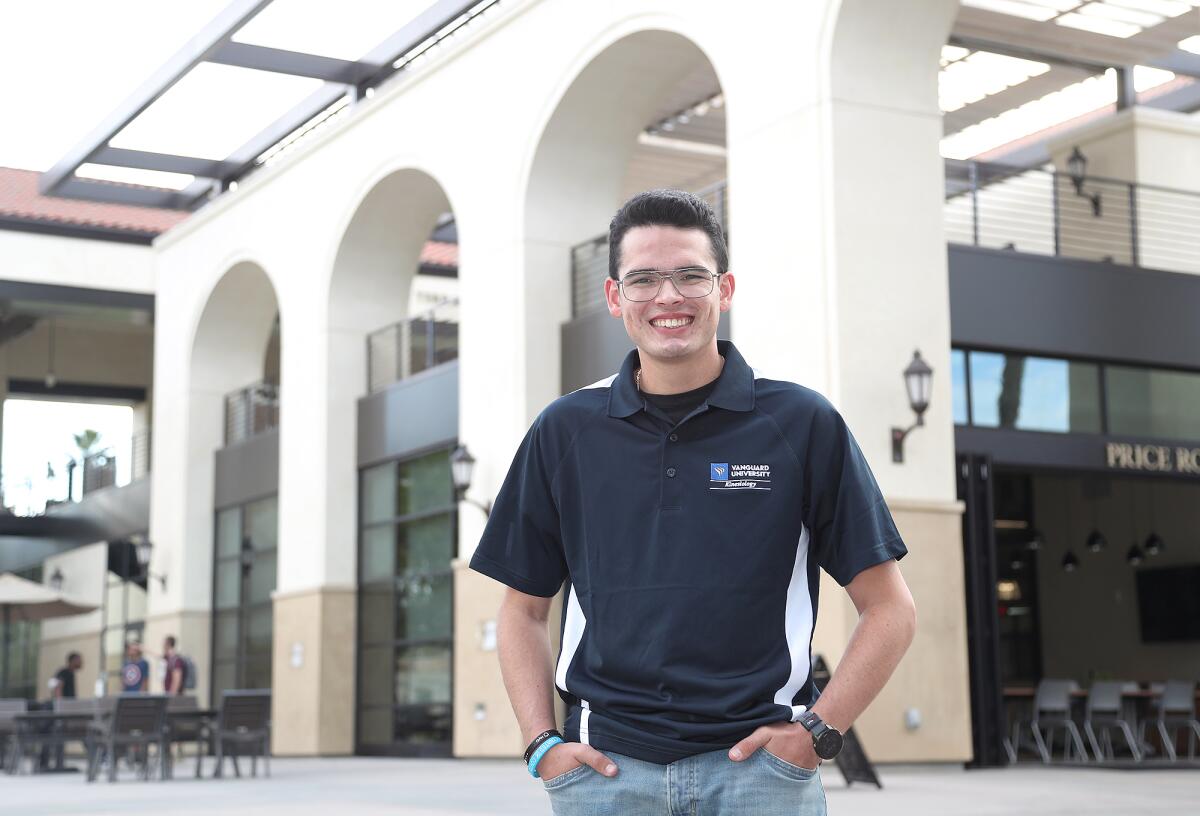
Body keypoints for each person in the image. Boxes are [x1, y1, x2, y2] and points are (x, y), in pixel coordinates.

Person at [469, 189, 917, 814]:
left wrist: (817, 733)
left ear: (725, 289)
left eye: (690, 276)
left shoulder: (800, 423)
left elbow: (891, 610)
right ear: (614, 296)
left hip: (760, 778)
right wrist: (542, 744)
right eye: (644, 279)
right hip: (606, 777)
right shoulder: (565, 431)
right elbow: (521, 613)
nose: (668, 297)